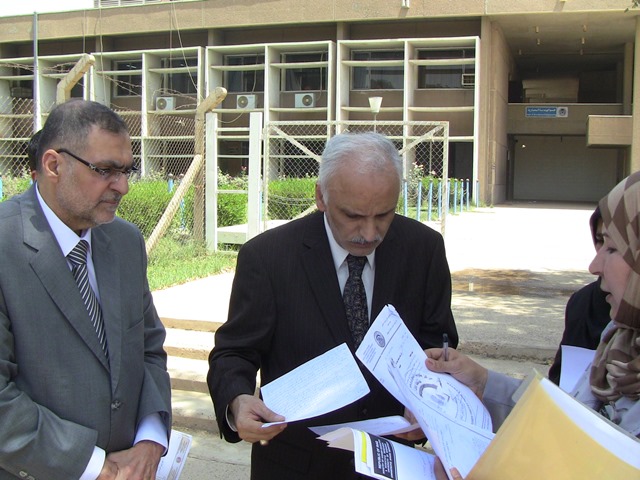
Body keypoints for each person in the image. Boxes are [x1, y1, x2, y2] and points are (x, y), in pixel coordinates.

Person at [207, 131, 458, 480]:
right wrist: (236, 400)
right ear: (321, 197)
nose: (369, 233)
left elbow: (438, 343)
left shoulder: (423, 249)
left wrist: (428, 403)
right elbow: (234, 352)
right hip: (297, 466)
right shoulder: (268, 257)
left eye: (384, 215)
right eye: (353, 216)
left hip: (394, 463)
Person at [427, 171, 640, 478]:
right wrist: (483, 382)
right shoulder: (620, 339)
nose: (594, 266)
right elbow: (565, 422)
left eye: (612, 248)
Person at [0, 99, 172, 480]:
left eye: (127, 170)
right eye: (105, 170)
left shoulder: (125, 242)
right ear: (53, 165)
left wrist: (150, 440)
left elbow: (148, 348)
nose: (123, 186)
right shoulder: (5, 244)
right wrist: (95, 466)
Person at [547, 207, 611, 385]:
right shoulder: (583, 302)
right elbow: (559, 384)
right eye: (599, 241)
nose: (594, 266)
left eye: (614, 249)